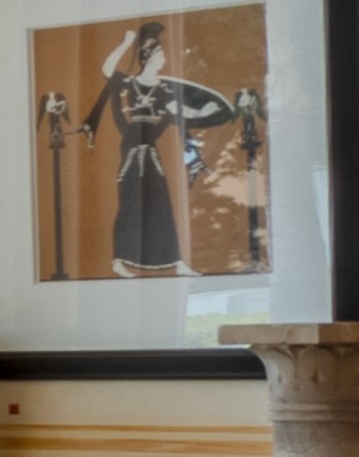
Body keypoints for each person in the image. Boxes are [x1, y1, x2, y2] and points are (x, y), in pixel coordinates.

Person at [83, 23, 252, 280]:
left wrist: (204, 112)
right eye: (159, 55)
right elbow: (107, 69)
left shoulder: (163, 90)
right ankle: (119, 261)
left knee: (160, 204)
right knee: (130, 203)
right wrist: (127, 42)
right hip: (131, 151)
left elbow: (180, 111)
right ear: (147, 56)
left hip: (151, 150)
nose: (163, 60)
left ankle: (175, 261)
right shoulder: (127, 83)